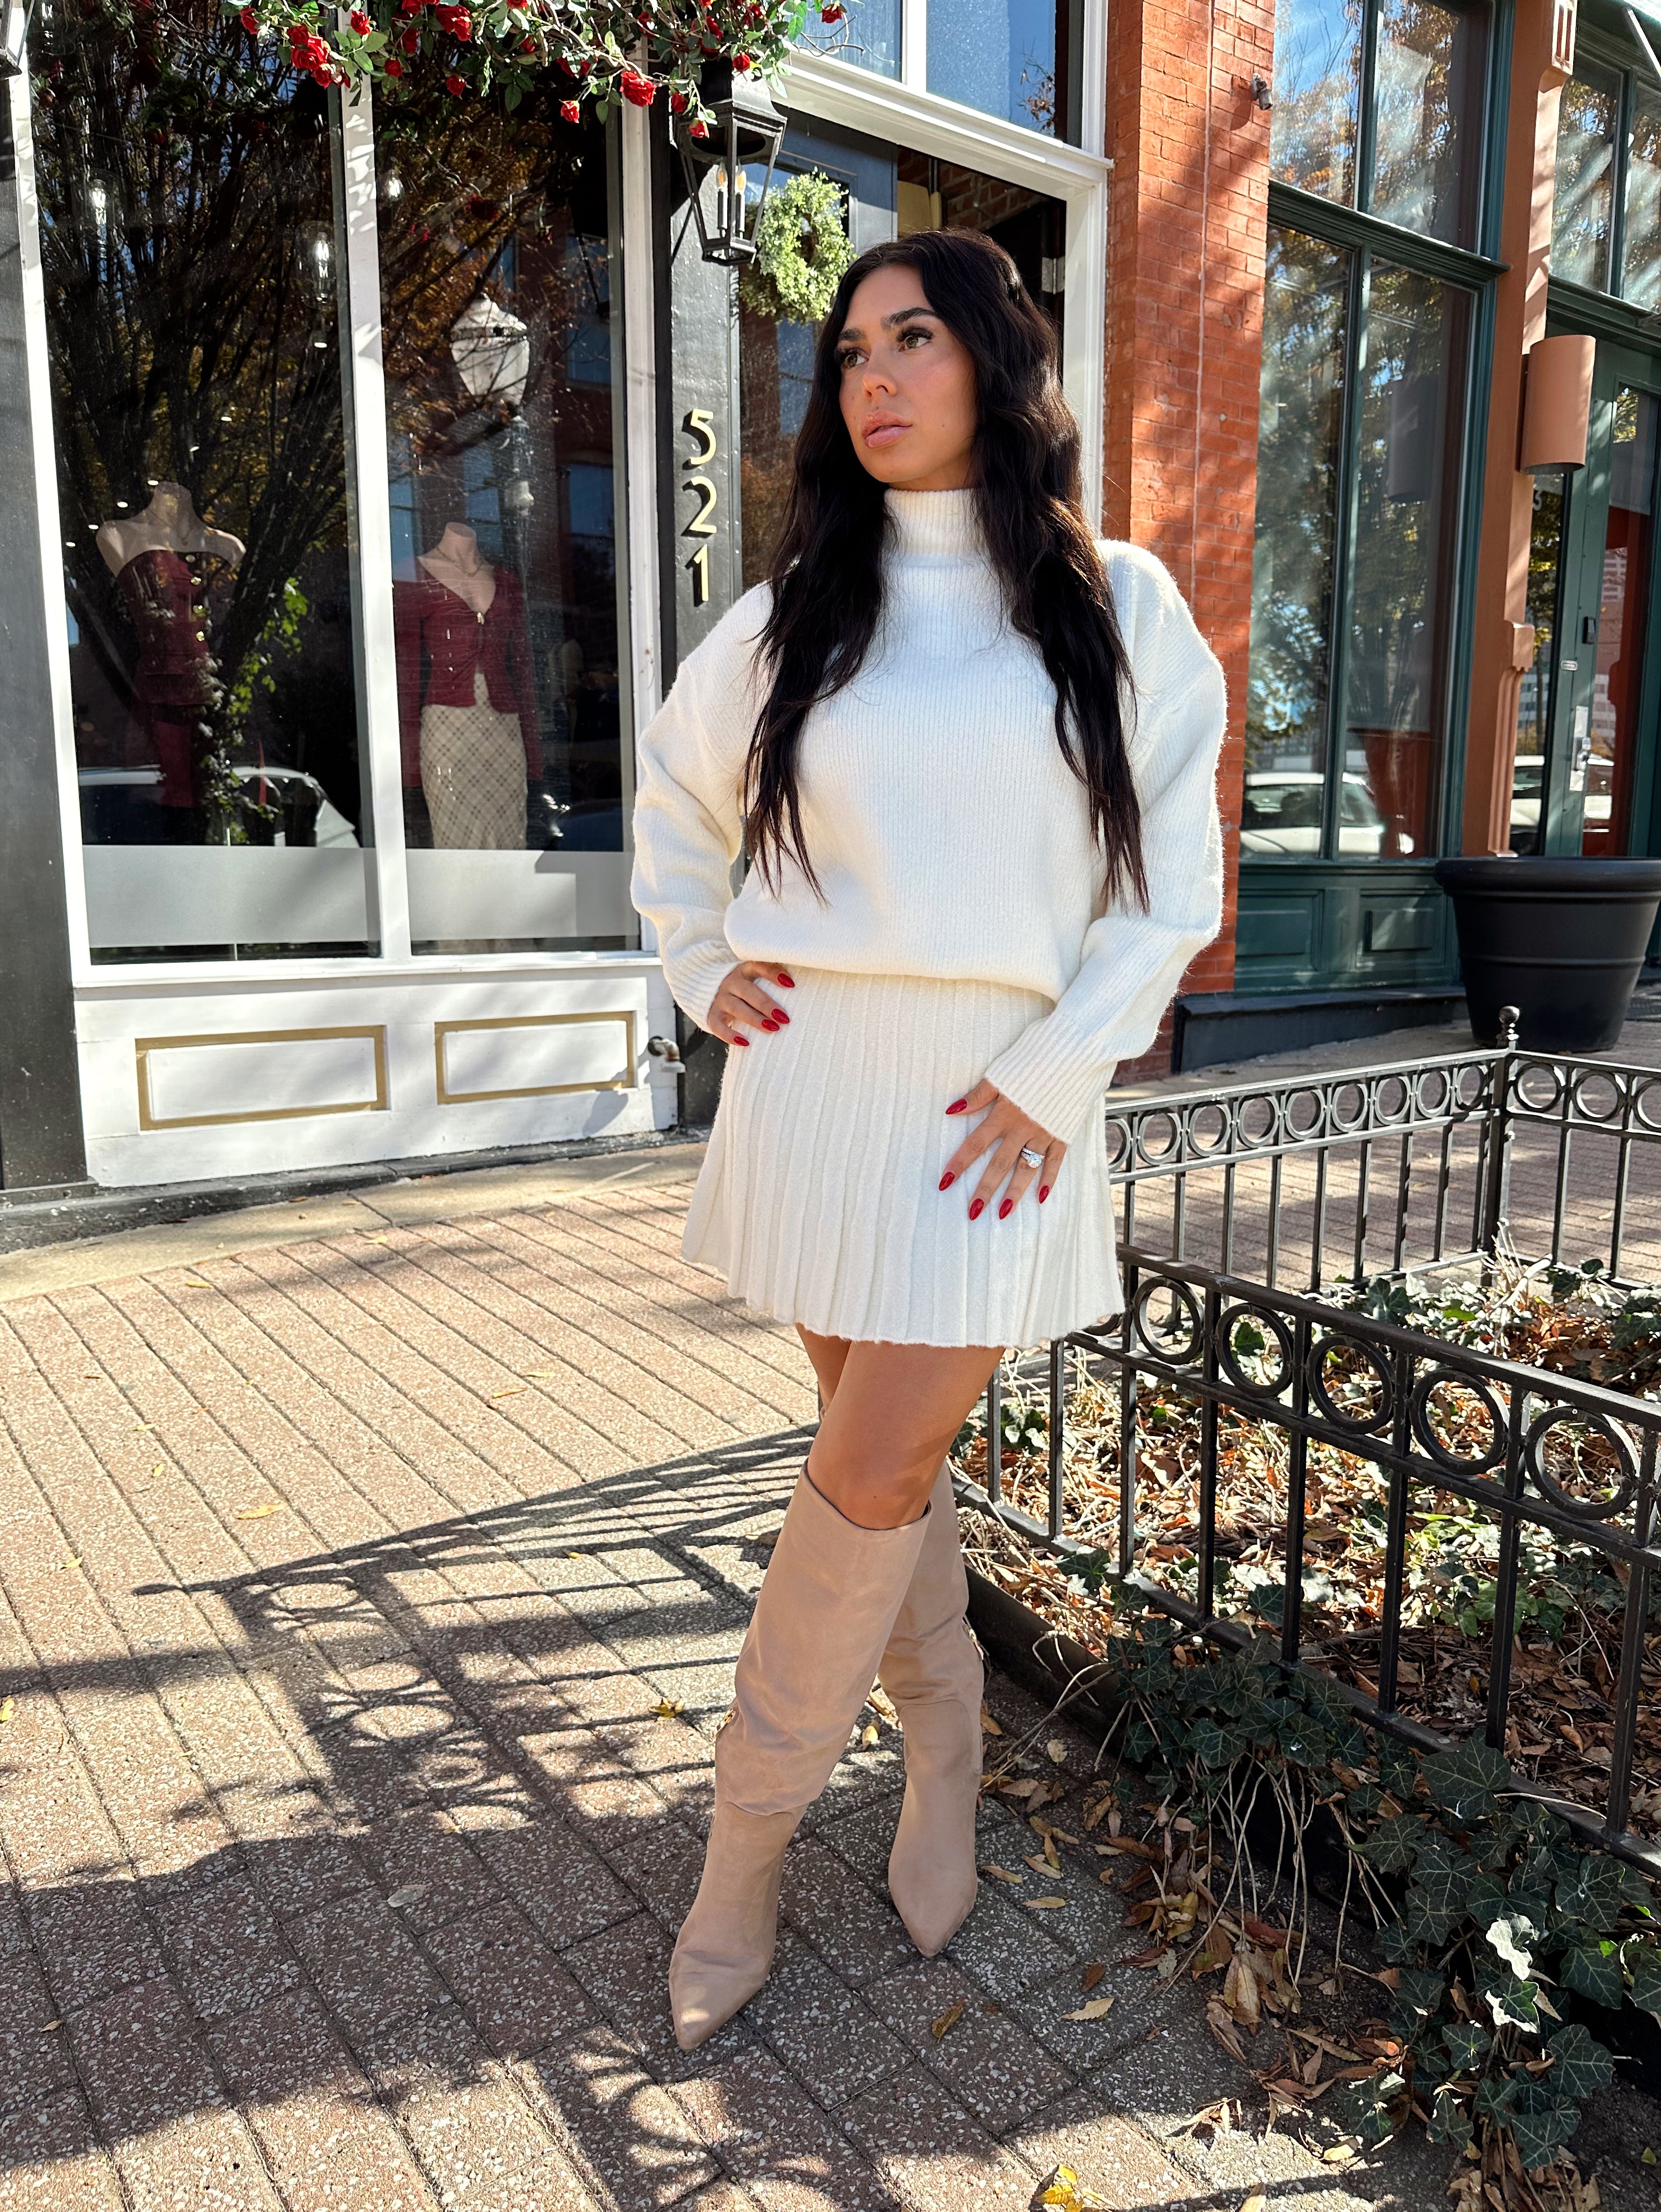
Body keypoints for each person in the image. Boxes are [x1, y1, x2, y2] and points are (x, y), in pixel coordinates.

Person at [630, 227, 1226, 2051]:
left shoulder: (1116, 603)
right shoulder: (792, 612)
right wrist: (698, 959)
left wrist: (1060, 1075)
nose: (871, 377)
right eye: (846, 353)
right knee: (875, 1466)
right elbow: (678, 813)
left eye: (914, 337)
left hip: (997, 1110)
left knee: (873, 1466)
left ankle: (745, 1842)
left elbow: (1175, 877)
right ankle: (945, 1732)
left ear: (997, 359)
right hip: (819, 1092)